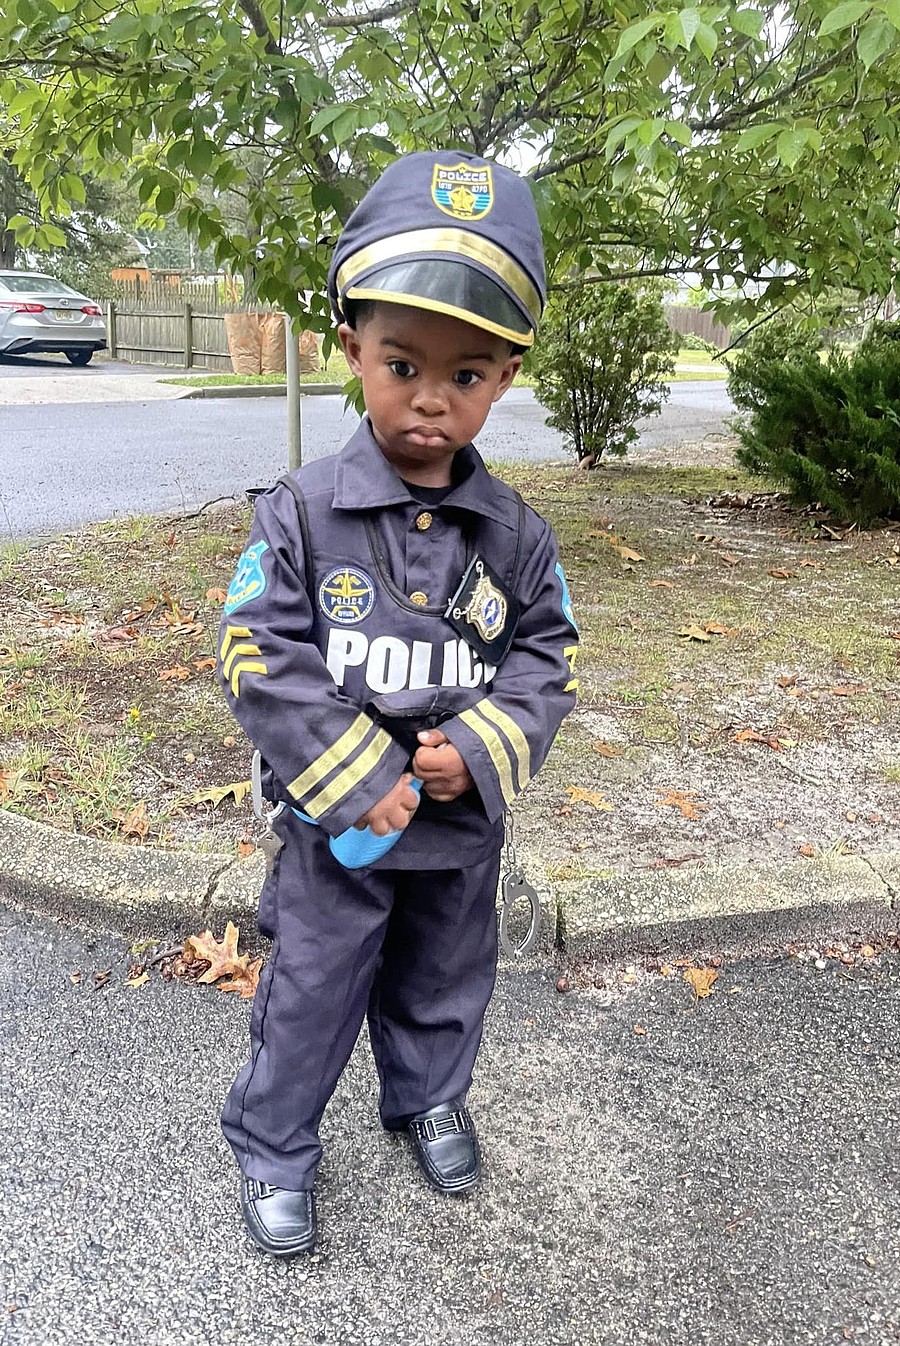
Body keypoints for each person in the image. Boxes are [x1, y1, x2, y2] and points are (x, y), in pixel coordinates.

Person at [216, 150, 579, 1257]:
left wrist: (478, 743)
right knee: (315, 992)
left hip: (460, 832)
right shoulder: (301, 512)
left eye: (467, 374)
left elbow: (547, 657)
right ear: (351, 350)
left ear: (507, 377)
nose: (431, 396)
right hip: (339, 836)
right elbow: (255, 647)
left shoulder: (516, 534)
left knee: (445, 978)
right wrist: (356, 773)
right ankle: (276, 1144)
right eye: (403, 361)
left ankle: (428, 1094)